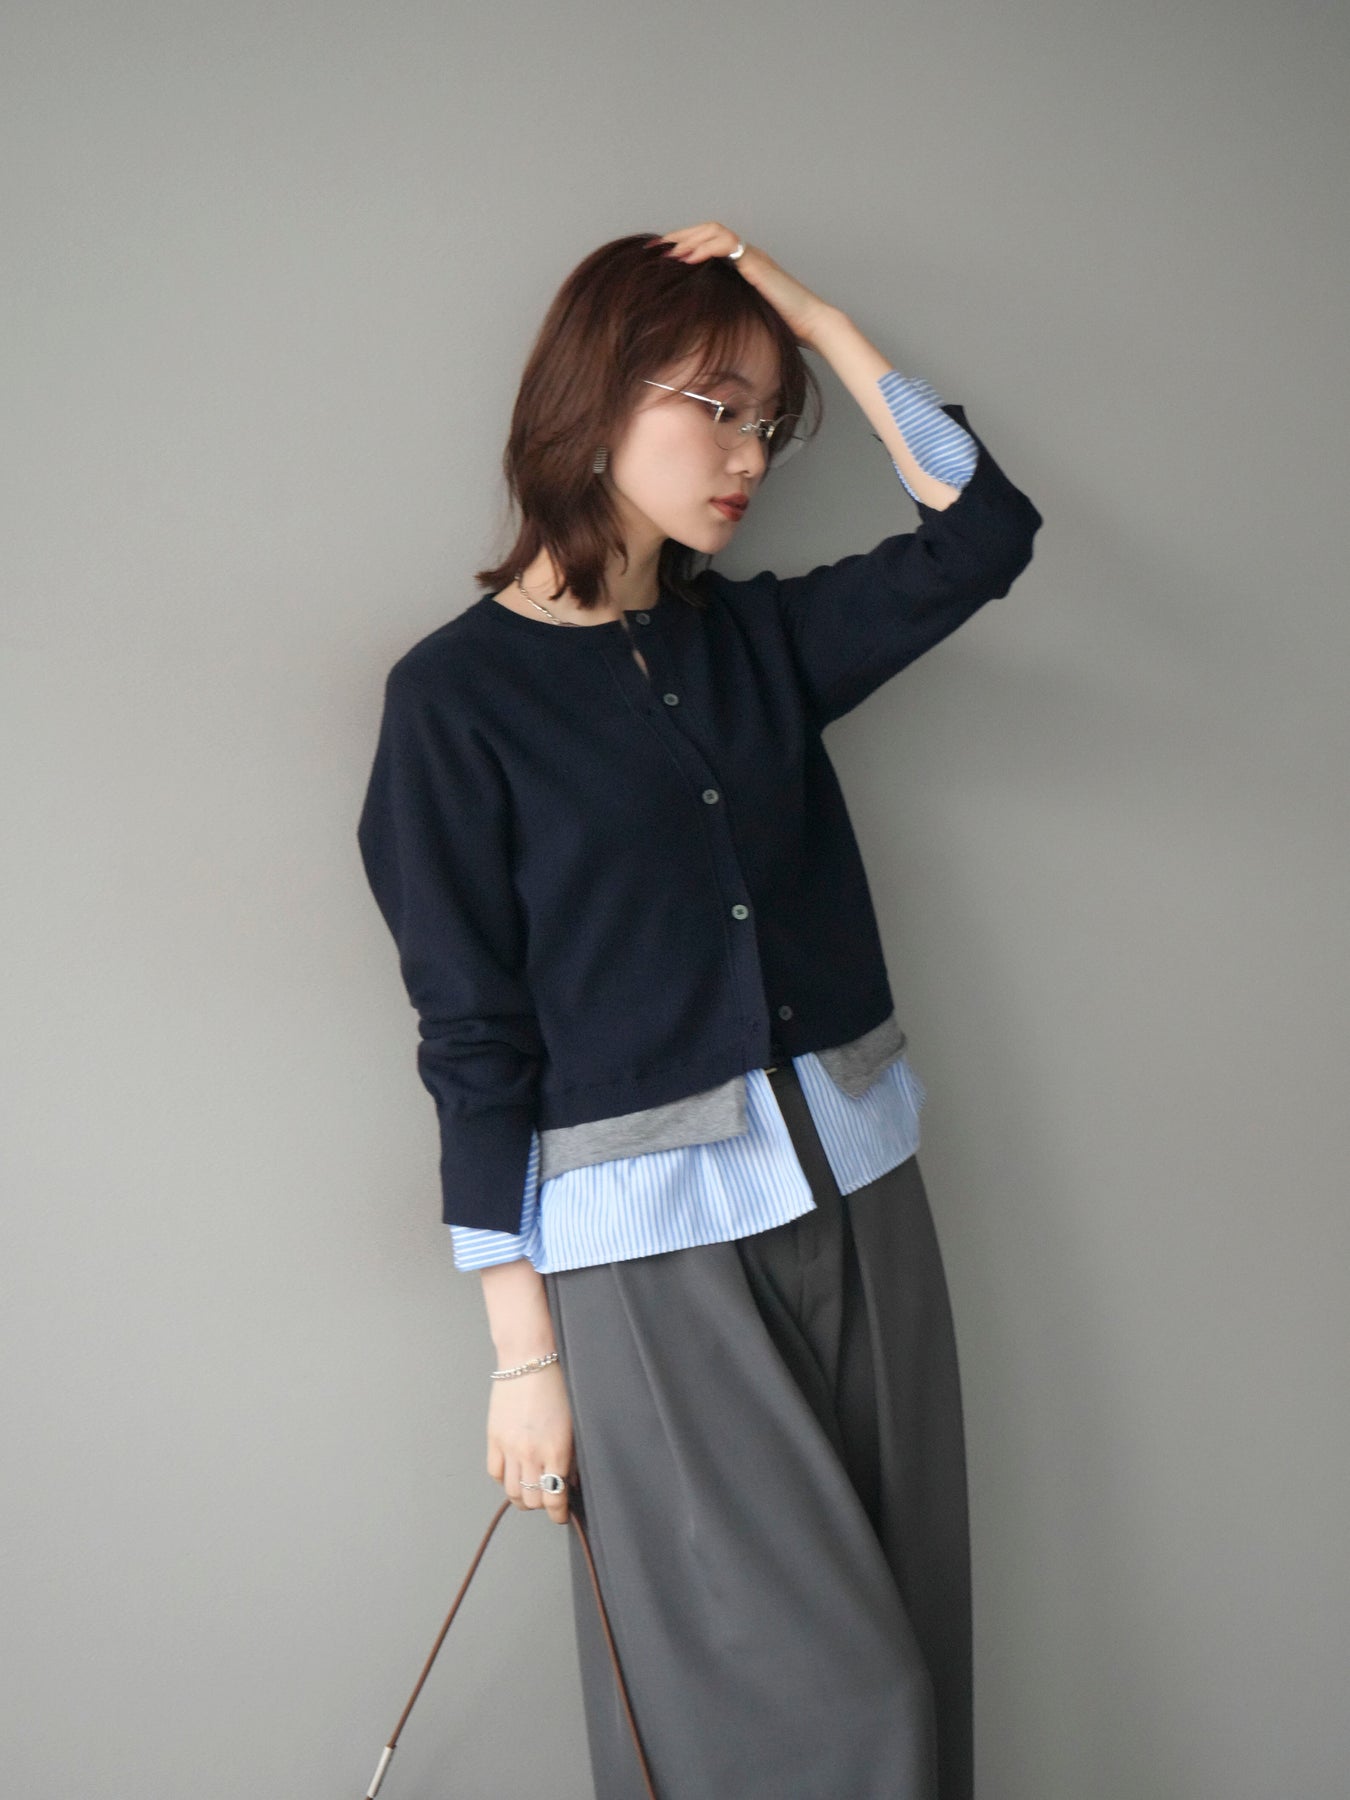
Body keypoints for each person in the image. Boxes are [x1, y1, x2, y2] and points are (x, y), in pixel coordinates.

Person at [356, 221, 1043, 1800]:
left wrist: (814, 317)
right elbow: (468, 1032)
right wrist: (522, 1357)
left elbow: (982, 533)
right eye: (713, 408)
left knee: (916, 1650)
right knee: (817, 1707)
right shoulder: (453, 701)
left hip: (863, 1196)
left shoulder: (755, 642)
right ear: (592, 403)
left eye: (767, 422)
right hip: (646, 1255)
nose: (746, 457)